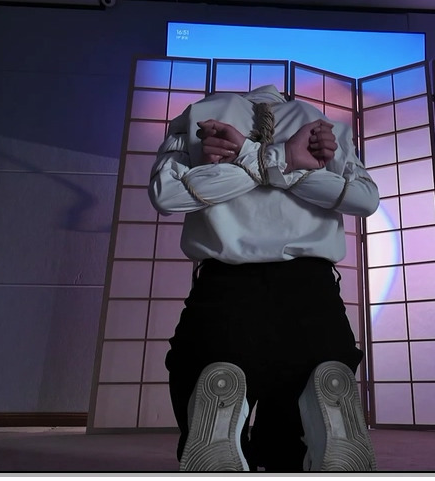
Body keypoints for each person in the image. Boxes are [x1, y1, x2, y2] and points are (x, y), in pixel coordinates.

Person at [148, 84, 379, 472]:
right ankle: (307, 436)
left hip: (225, 293)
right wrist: (286, 160)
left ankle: (221, 429)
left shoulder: (202, 117)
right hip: (313, 297)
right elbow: (366, 199)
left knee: (197, 370)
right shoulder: (323, 127)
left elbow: (164, 194)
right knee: (305, 405)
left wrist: (248, 157)